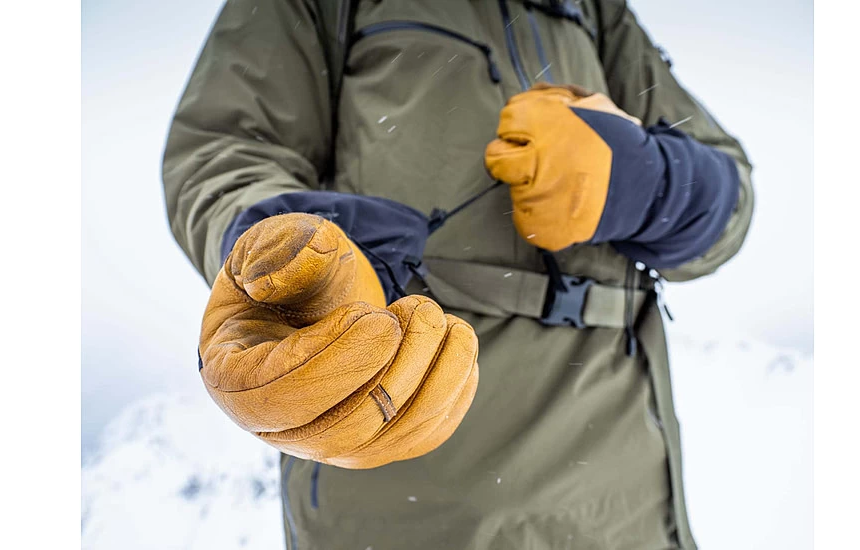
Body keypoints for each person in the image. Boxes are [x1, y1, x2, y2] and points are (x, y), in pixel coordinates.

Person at [162, 1, 754, 548]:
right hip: (409, 488)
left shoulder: (595, 10)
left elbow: (728, 192)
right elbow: (224, 151)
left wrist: (655, 181)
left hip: (632, 496)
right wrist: (283, 246)